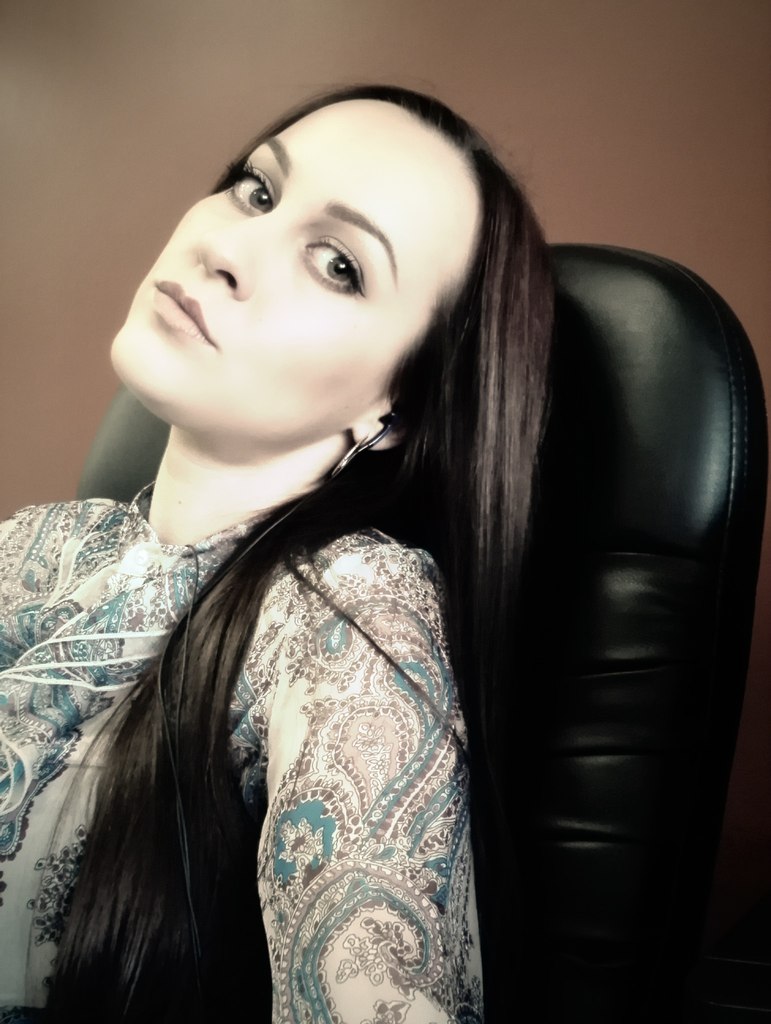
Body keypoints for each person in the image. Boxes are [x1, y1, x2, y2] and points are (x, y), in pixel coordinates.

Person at [0, 85, 554, 1023]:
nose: (227, 248)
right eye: (256, 190)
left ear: (398, 410)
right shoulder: (34, 541)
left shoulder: (350, 609)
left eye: (339, 265)